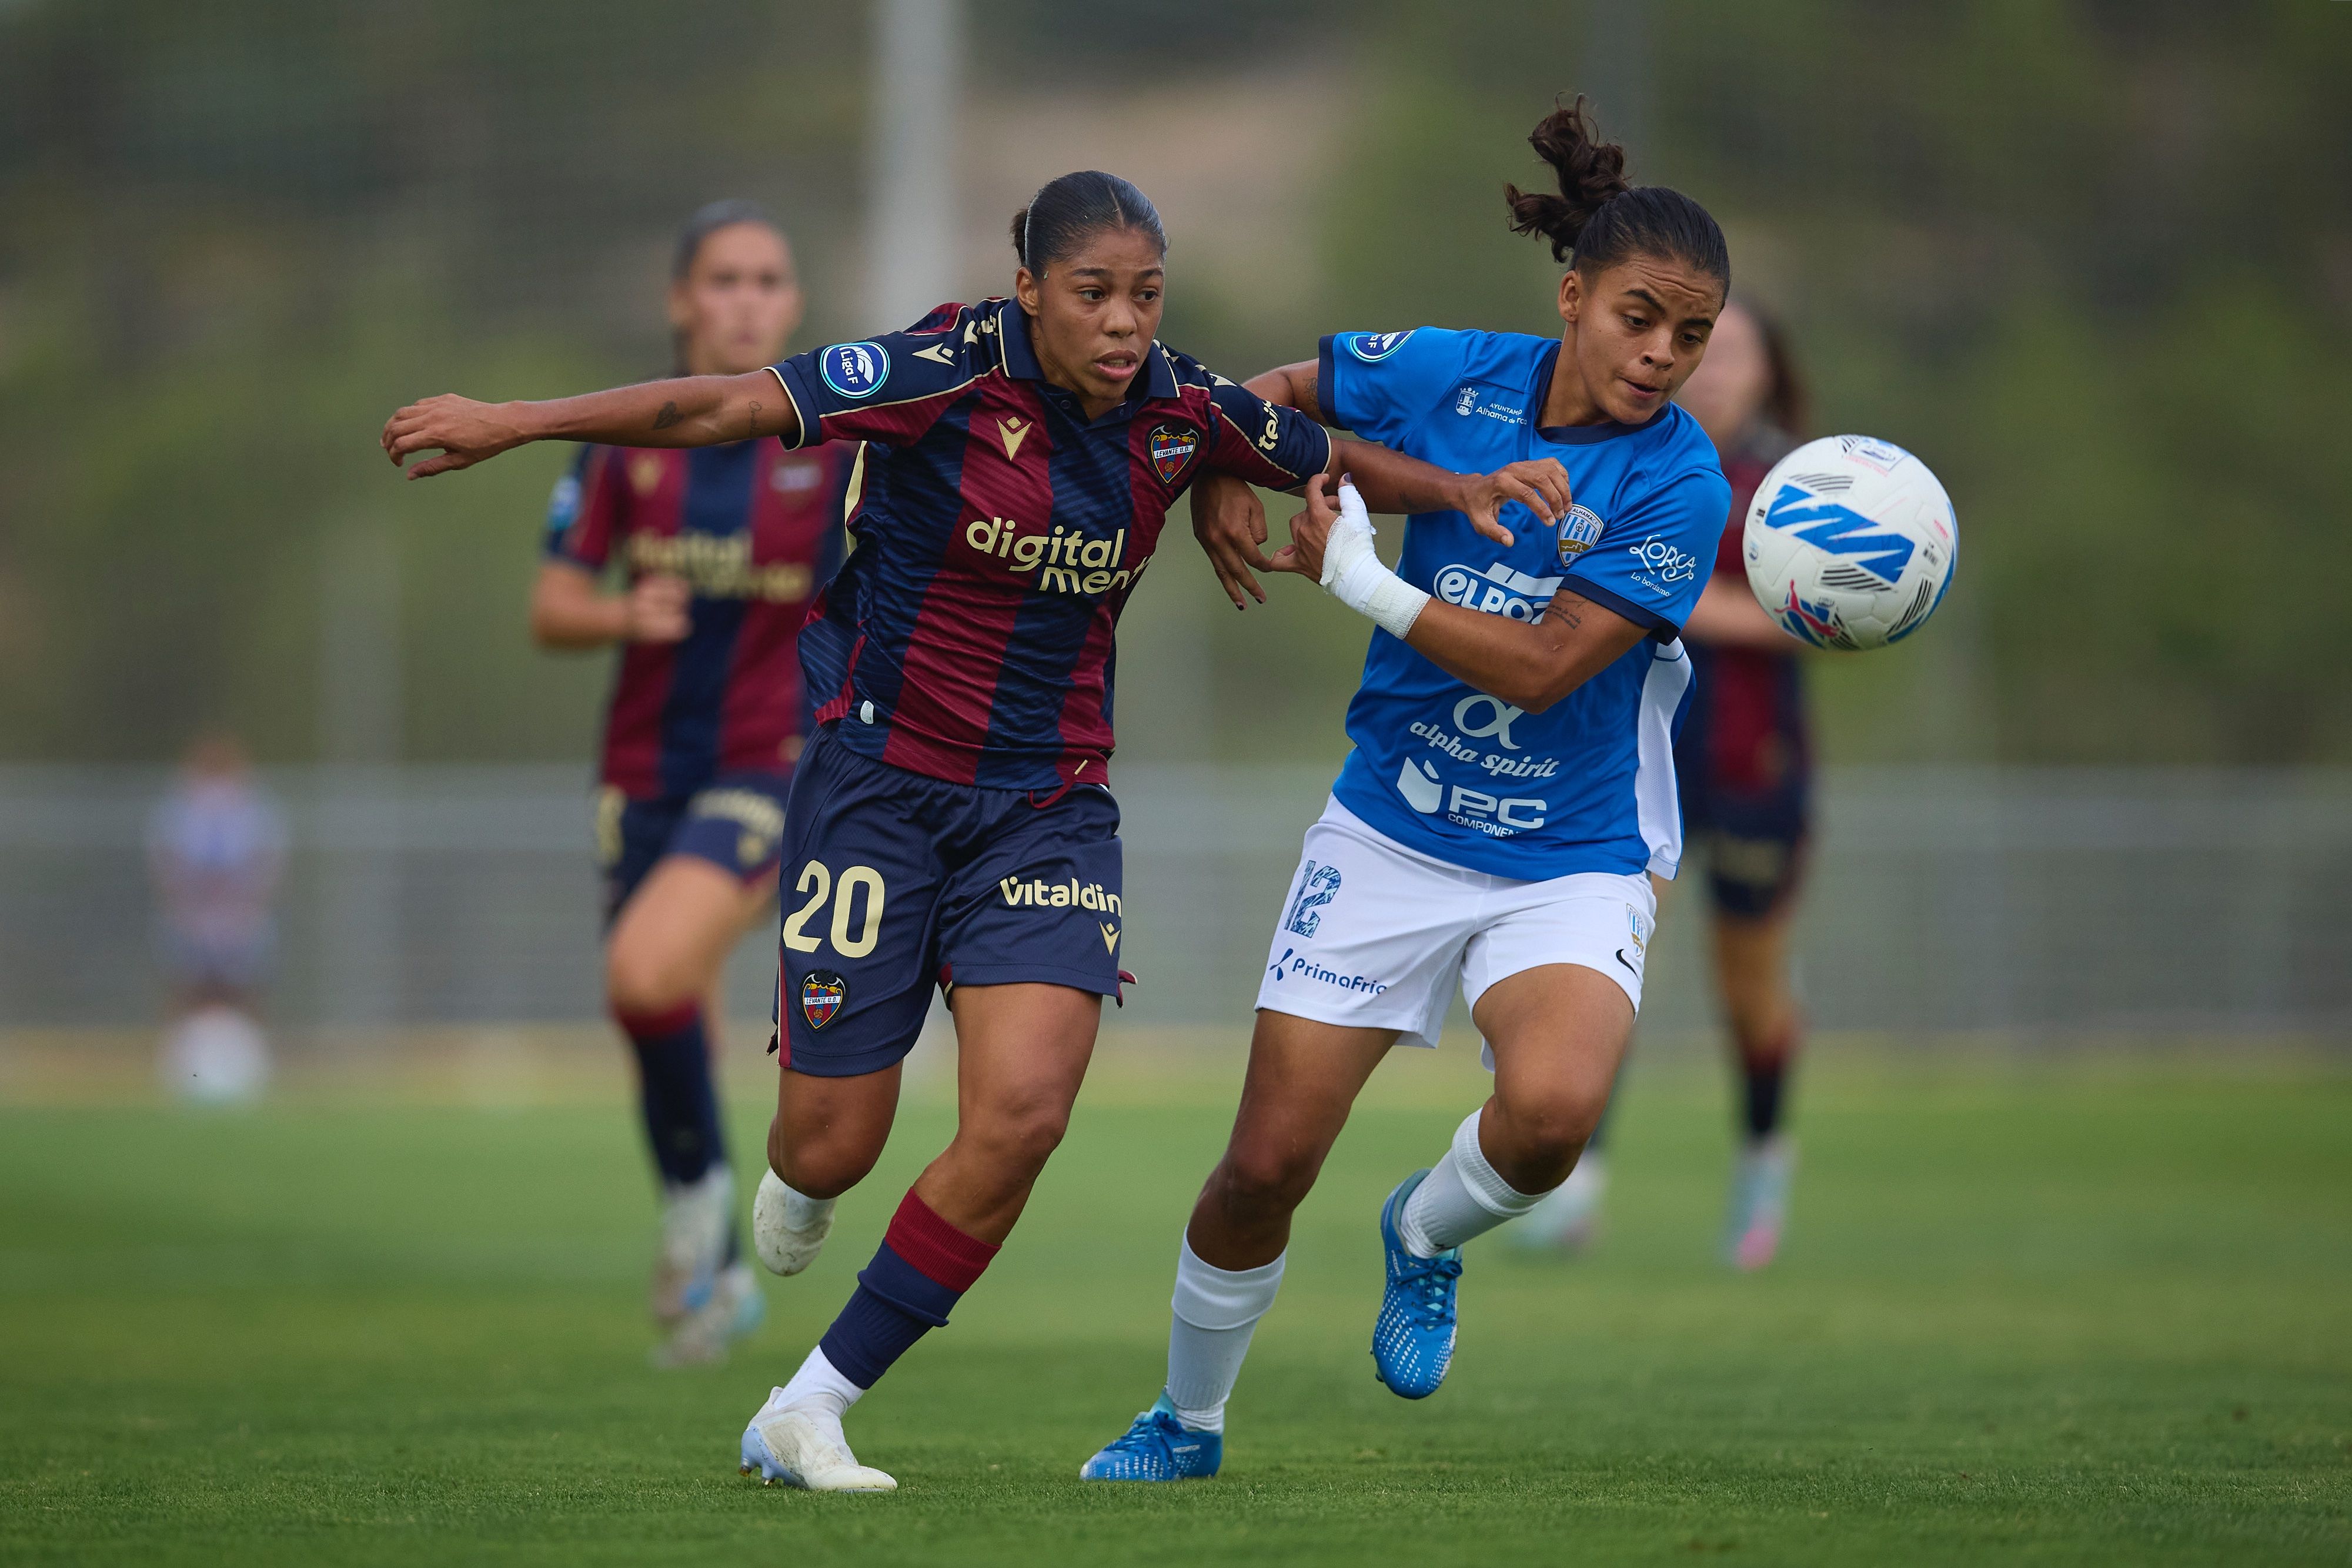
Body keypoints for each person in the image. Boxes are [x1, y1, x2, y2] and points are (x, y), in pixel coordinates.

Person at [383, 169, 1564, 1492]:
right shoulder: (938, 369)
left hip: (1050, 807)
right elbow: (721, 403)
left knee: (1022, 1111)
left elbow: (1317, 452)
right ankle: (805, 1172)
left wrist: (1453, 494)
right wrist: (518, 422)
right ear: (1028, 292)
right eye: (1093, 295)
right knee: (827, 1143)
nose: (1124, 323)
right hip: (875, 784)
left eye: (1145, 295)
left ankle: (809, 1406)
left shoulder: (1179, 404)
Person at [1078, 98, 1734, 1481]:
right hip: (1388, 830)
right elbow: (1271, 394)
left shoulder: (1681, 479)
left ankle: (1423, 1235)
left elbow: (1554, 668)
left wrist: (1364, 584)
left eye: (1691, 334)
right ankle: (1185, 1424)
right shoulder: (1447, 373)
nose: (1662, 355)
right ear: (1573, 298)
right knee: (1262, 1168)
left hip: (1570, 850)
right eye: (1638, 319)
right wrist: (1216, 471)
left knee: (1552, 1117)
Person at [532, 200, 854, 1366]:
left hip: (772, 763)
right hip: (639, 771)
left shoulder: (830, 446)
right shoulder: (626, 444)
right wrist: (622, 607)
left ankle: (695, 1225)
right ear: (680, 300)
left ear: (794, 303)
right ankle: (714, 1266)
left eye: (768, 279)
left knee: (645, 968)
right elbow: (551, 604)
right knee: (655, 1003)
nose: (745, 300)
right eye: (722, 279)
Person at [1516, 298, 1813, 1269]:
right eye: (1704, 350)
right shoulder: (1650, 459)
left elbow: (1822, 615)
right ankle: (1575, 1192)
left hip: (1755, 761)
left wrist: (1672, 597)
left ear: (1771, 371)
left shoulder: (1798, 488)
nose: (1716, 368)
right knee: (1612, 965)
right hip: (1639, 761)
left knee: (1749, 982)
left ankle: (1763, 1170)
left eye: (1736, 352)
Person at [148, 731, 288, 1103]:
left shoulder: (250, 809)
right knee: (189, 991)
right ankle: (182, 1069)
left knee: (245, 993)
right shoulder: (183, 809)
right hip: (194, 920)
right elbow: (169, 864)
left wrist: (245, 907)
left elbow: (264, 863)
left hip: (240, 920)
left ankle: (250, 1069)